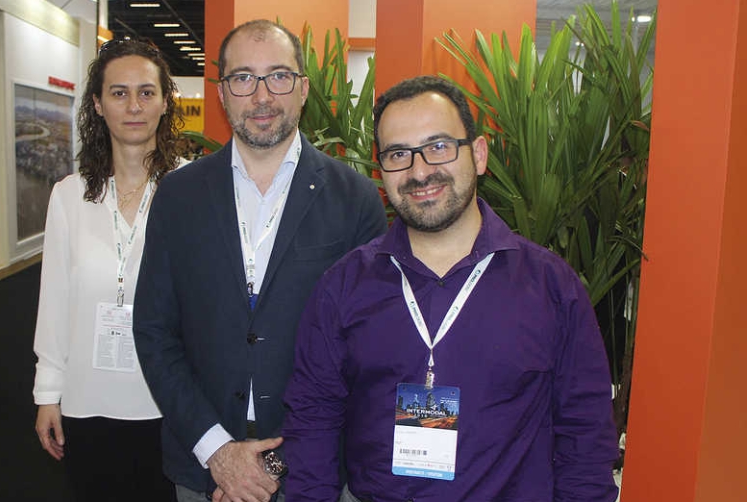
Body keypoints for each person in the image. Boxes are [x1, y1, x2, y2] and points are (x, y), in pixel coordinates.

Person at [282, 76, 619, 502]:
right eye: (398, 154)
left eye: (438, 146)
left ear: (478, 154)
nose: (420, 171)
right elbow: (313, 422)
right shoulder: (344, 287)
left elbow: (585, 439)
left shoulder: (551, 287)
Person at [133, 19, 387, 502]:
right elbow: (154, 331)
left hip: (313, 468)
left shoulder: (354, 199)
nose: (262, 95)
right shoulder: (178, 197)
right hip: (203, 466)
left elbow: (365, 350)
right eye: (243, 78)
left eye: (279, 76)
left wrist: (270, 464)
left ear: (303, 89)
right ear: (222, 93)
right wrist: (218, 451)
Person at [32, 39, 184, 501]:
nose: (133, 106)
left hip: (170, 402)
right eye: (119, 93)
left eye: (146, 92)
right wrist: (47, 393)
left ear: (165, 102)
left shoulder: (193, 189)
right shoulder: (69, 195)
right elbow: (55, 301)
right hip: (89, 400)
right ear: (97, 104)